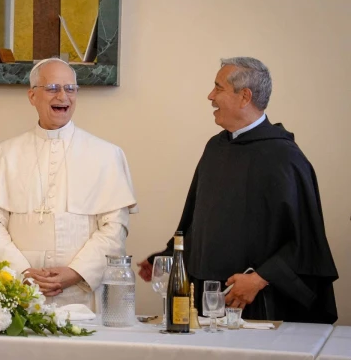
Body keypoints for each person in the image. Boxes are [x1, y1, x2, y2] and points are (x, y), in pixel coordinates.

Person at [138, 57, 338, 323]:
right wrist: (168, 256)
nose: (210, 96)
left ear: (245, 96)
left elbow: (305, 239)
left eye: (218, 88)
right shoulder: (215, 148)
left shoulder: (284, 157)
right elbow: (198, 220)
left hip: (258, 301)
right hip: (205, 298)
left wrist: (259, 279)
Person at [0, 58, 137, 309]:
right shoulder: (5, 154)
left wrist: (76, 272)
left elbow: (115, 228)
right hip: (20, 292)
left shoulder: (106, 155)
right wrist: (21, 272)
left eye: (70, 89)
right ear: (32, 96)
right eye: (52, 88)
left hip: (82, 294)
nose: (63, 96)